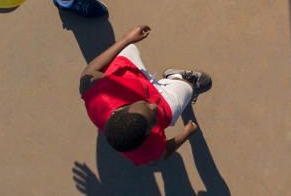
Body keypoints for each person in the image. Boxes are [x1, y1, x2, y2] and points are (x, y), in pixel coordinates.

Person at [79, 24, 211, 165]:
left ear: (122, 110)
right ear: (146, 135)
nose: (154, 105)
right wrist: (185, 134)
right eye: (153, 118)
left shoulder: (96, 94)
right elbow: (163, 153)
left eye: (144, 104)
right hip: (164, 101)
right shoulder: (147, 150)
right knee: (188, 89)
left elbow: (89, 71)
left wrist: (126, 40)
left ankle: (171, 81)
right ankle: (178, 78)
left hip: (130, 71)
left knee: (128, 48)